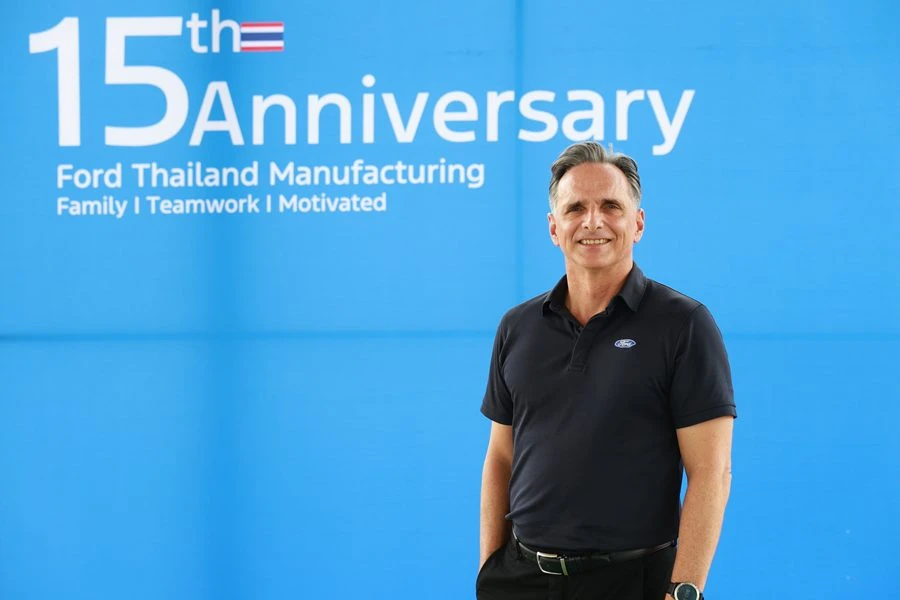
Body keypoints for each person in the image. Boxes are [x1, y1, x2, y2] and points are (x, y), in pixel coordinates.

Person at [476, 141, 736, 600]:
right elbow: (501, 456)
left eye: (611, 206)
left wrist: (683, 591)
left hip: (633, 581)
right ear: (554, 228)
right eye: (575, 208)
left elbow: (711, 472)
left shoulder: (684, 324)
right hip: (519, 580)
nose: (593, 221)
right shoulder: (517, 327)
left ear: (638, 223)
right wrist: (489, 568)